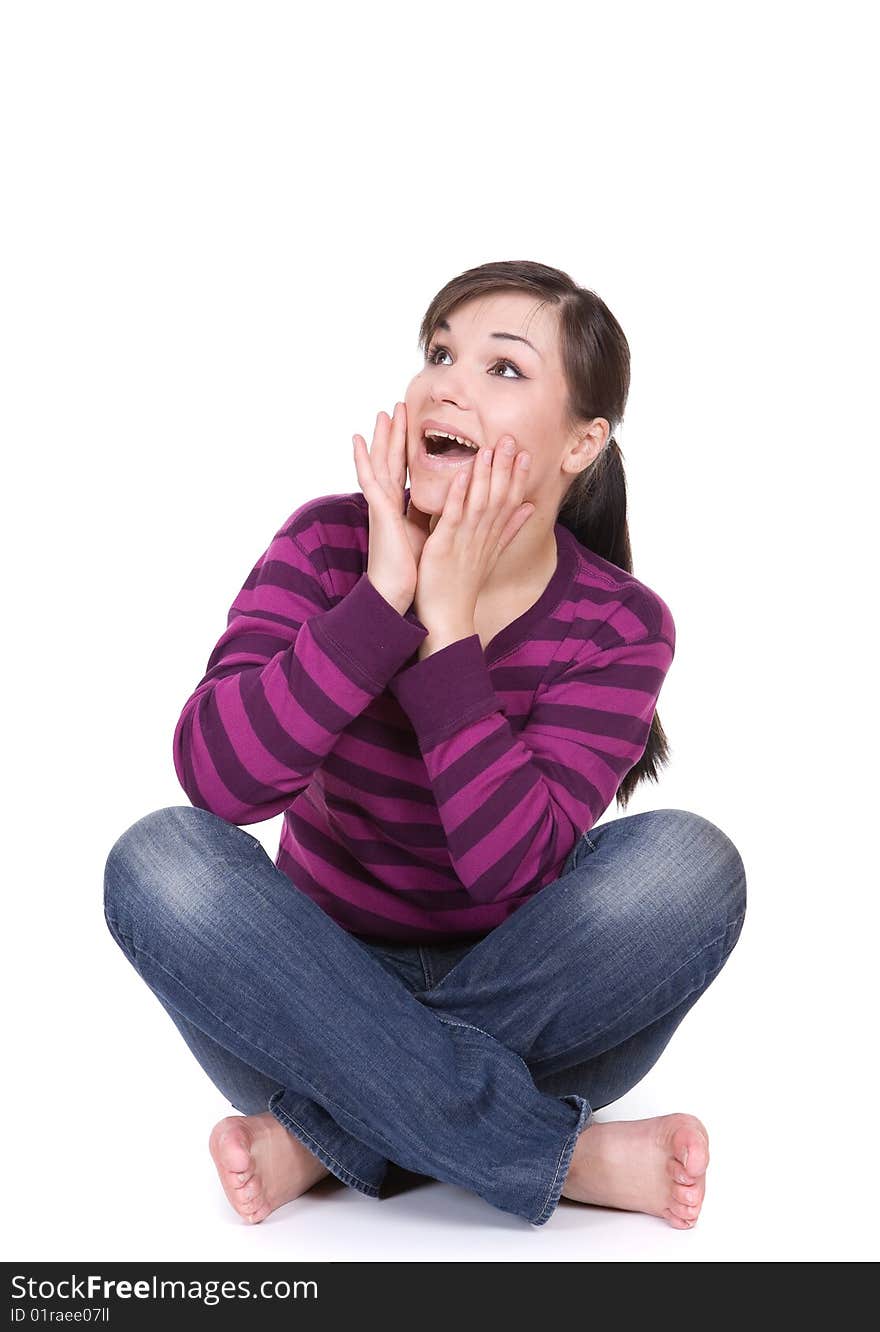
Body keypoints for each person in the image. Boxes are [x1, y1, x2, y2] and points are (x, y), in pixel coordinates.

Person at [103, 259, 746, 1231]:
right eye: (439, 352)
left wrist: (447, 628)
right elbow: (218, 783)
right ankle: (556, 1155)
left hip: (542, 1002)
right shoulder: (325, 548)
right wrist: (377, 601)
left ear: (582, 441)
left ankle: (324, 1137)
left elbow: (507, 872)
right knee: (157, 858)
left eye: (503, 368)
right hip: (305, 992)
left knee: (690, 865)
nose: (445, 381)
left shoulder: (618, 623)